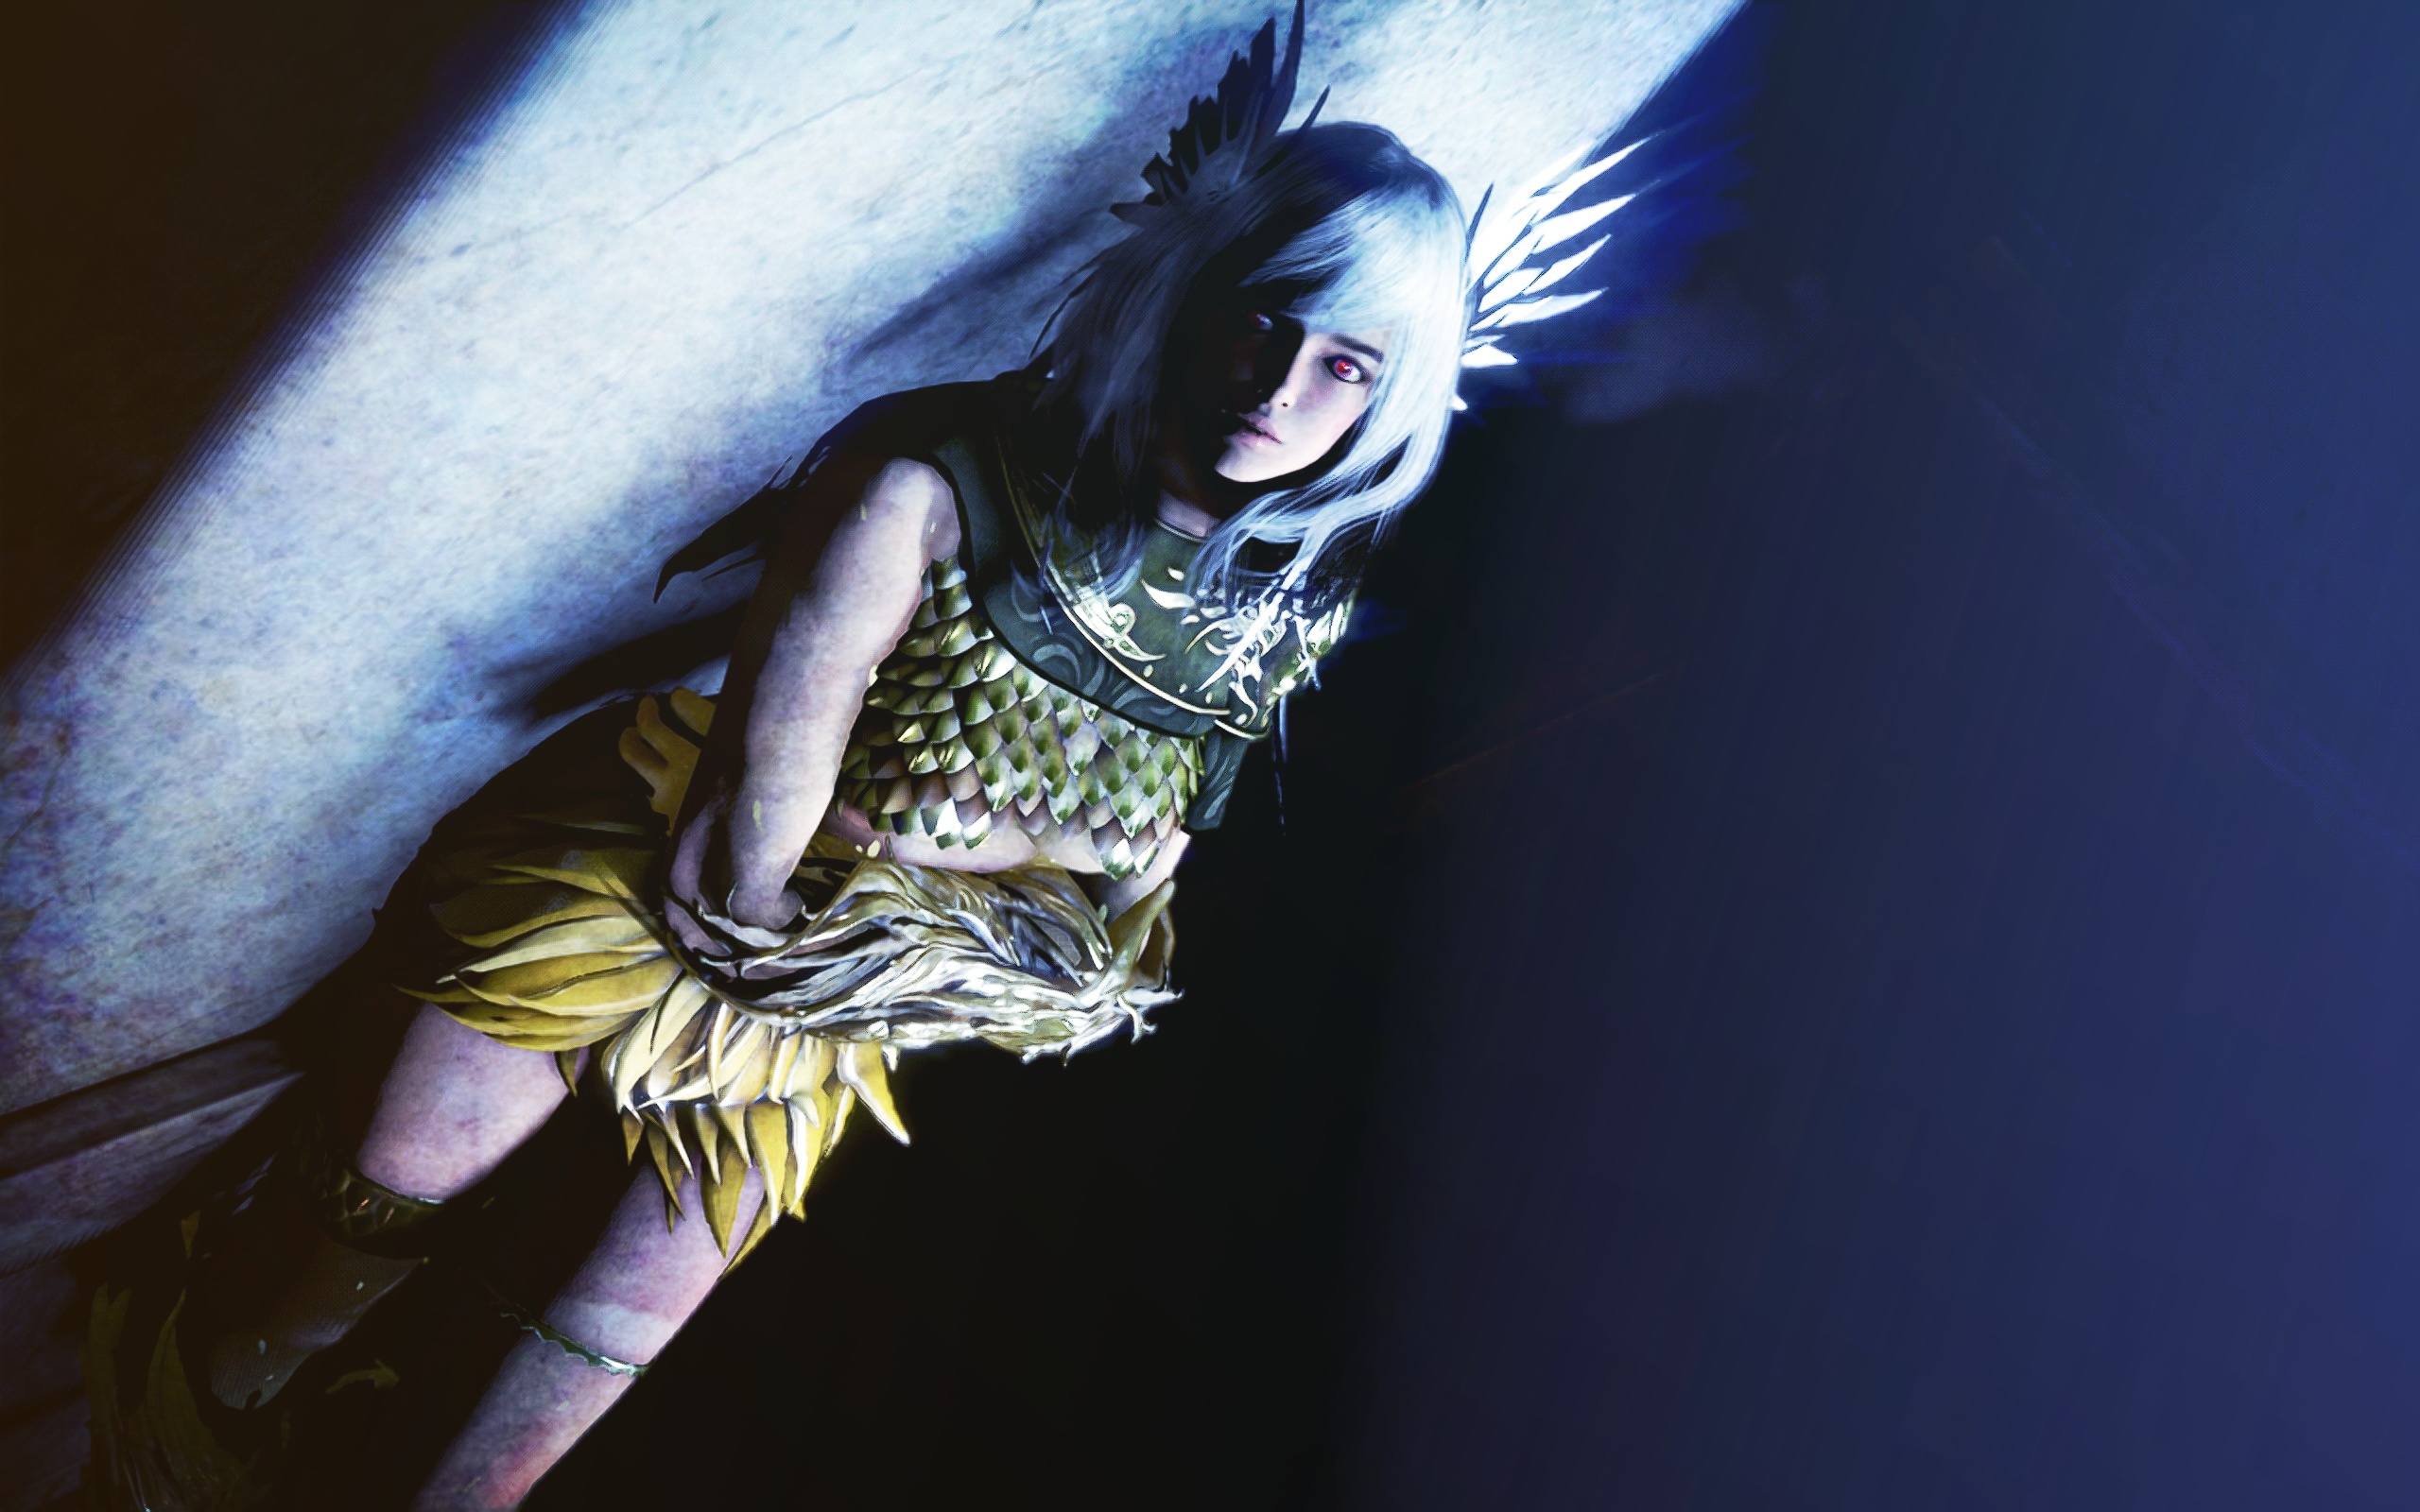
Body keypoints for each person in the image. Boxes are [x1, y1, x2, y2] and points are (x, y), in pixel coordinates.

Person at [82, 9, 1530, 1506]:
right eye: (1264, 319)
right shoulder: (934, 480)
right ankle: (212, 1385)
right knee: (356, 1236)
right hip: (657, 897)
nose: (1280, 388)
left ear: (1390, 398)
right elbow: (753, 815)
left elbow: (1143, 884)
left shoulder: (1278, 616)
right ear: (1197, 289)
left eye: (1346, 365)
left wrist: (1023, 963)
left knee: (593, 1353)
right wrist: (880, 928)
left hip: (847, 1001)